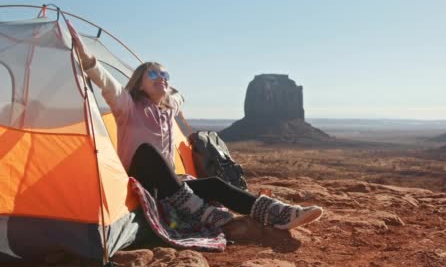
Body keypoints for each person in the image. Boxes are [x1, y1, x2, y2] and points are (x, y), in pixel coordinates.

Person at [71, 33, 322, 231]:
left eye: (165, 74)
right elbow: (107, 83)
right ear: (139, 81)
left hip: (171, 186)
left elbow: (180, 96)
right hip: (140, 180)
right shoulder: (127, 105)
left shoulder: (169, 109)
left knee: (214, 185)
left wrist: (168, 94)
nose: (162, 78)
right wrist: (88, 60)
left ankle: (279, 213)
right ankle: (197, 210)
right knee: (147, 152)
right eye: (154, 73)